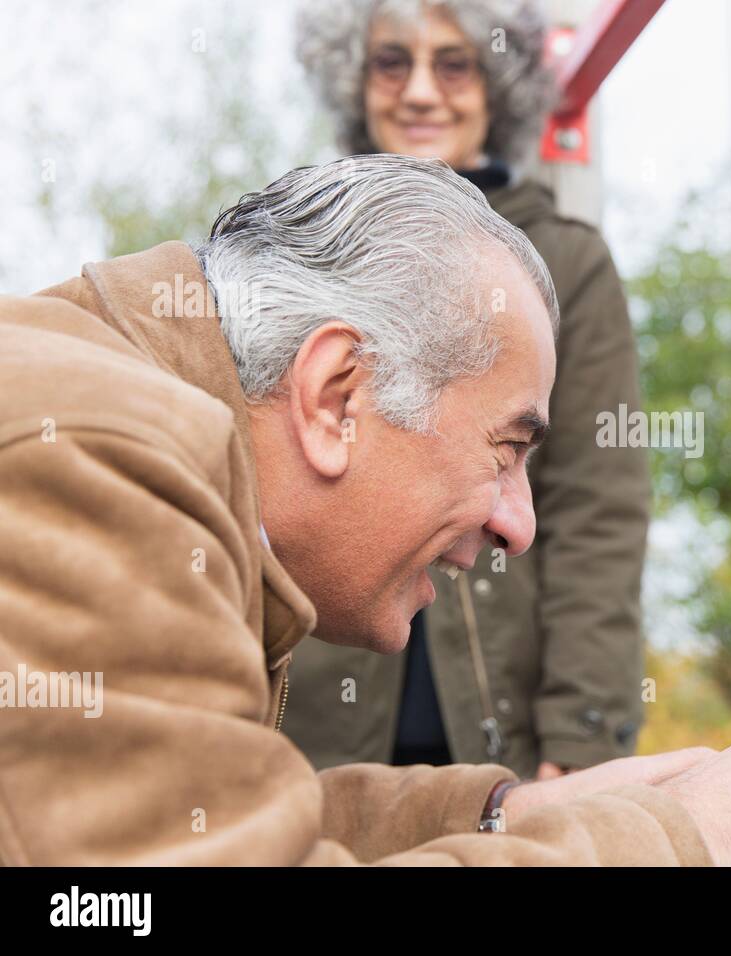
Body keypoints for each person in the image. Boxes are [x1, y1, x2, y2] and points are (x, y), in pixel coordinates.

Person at [0, 154, 731, 866]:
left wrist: (514, 813)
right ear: (338, 396)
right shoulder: (96, 460)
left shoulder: (111, 424)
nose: (518, 526)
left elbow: (217, 826)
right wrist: (677, 839)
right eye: (508, 449)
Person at [286, 0, 650, 780]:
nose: (421, 91)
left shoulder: (569, 265)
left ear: (498, 84)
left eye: (454, 63)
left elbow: (599, 512)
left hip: (504, 736)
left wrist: (584, 733)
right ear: (355, 78)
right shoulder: (294, 250)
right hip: (313, 733)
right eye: (393, 61)